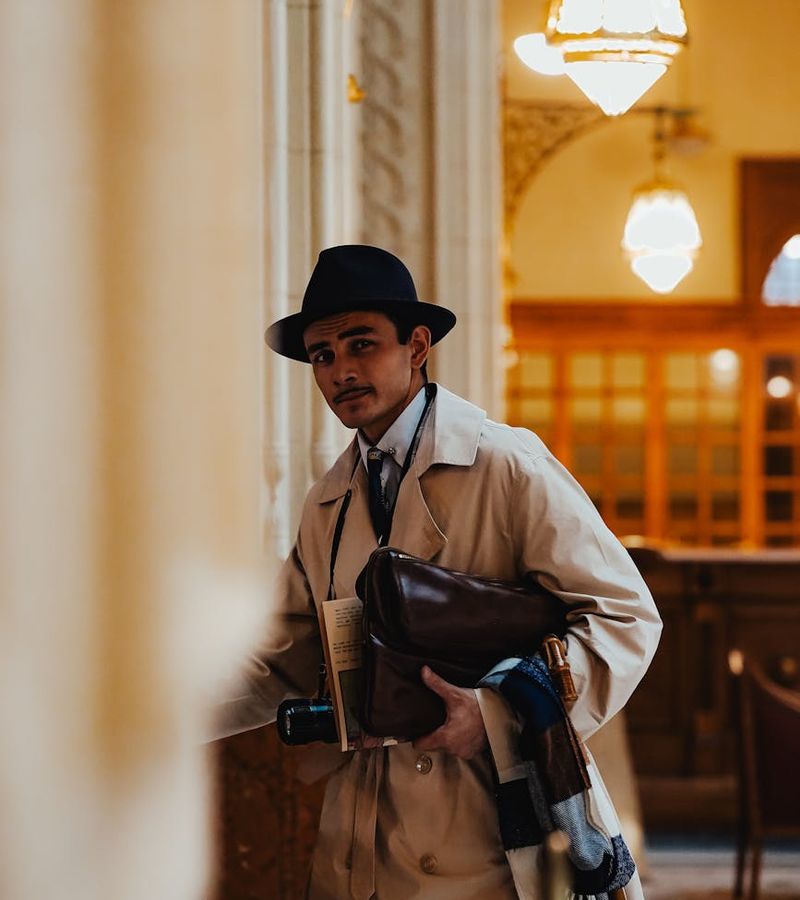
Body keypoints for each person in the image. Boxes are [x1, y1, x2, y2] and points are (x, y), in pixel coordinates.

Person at [218, 244, 661, 899]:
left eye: (361, 344)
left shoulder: (507, 464)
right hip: (363, 840)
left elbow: (625, 617)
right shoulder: (327, 501)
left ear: (417, 345)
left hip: (489, 830)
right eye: (322, 355)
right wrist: (150, 710)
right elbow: (286, 653)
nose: (340, 370)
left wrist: (494, 715)